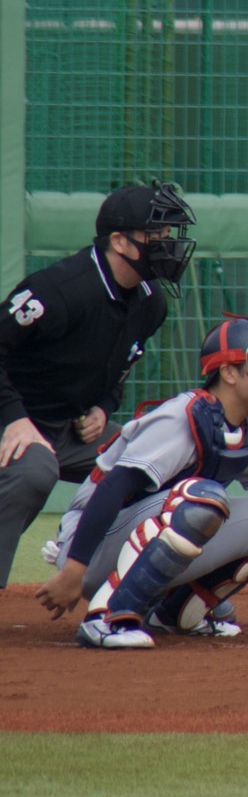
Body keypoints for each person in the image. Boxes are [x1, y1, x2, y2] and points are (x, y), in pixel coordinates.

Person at [33, 311, 248, 649]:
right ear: (228, 371)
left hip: (147, 530)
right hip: (90, 546)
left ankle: (175, 612)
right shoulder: (182, 417)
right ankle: (108, 617)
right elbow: (112, 488)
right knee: (202, 499)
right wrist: (74, 571)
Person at [0, 182, 197, 588]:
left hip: (69, 429)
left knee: (164, 468)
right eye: (156, 236)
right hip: (14, 421)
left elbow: (117, 368)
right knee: (36, 470)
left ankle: (143, 588)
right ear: (120, 242)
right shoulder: (59, 291)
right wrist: (14, 417)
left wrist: (105, 405)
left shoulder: (150, 301)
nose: (168, 245)